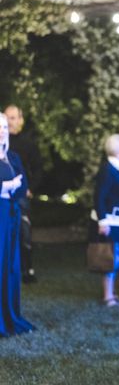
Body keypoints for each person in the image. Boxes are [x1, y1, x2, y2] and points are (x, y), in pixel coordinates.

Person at [91, 134, 119, 307]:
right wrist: (103, 220)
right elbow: (99, 196)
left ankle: (113, 292)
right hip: (111, 221)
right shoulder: (108, 170)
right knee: (109, 258)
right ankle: (107, 295)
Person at [0, 112, 34, 337]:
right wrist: (4, 187)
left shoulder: (12, 156)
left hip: (10, 214)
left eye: (4, 126)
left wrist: (13, 187)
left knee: (10, 265)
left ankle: (9, 315)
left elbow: (24, 185)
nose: (2, 130)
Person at [4, 105, 42, 284]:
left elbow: (38, 170)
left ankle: (27, 269)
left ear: (21, 120)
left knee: (23, 231)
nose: (9, 122)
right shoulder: (2, 141)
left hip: (20, 195)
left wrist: (30, 188)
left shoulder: (28, 144)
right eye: (7, 118)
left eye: (13, 118)